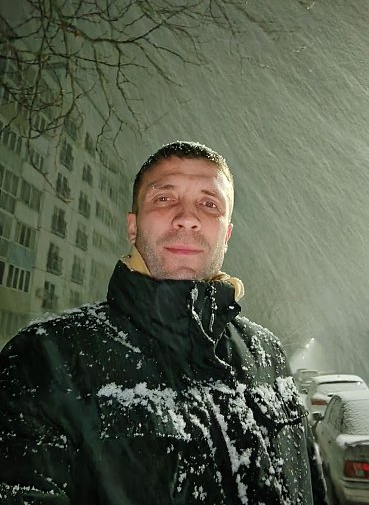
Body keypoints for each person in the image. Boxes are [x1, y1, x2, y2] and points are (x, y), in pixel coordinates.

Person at [0, 141, 326, 504]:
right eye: (165, 198)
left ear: (226, 235)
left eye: (209, 204)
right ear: (133, 227)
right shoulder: (44, 360)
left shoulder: (269, 355)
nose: (187, 217)